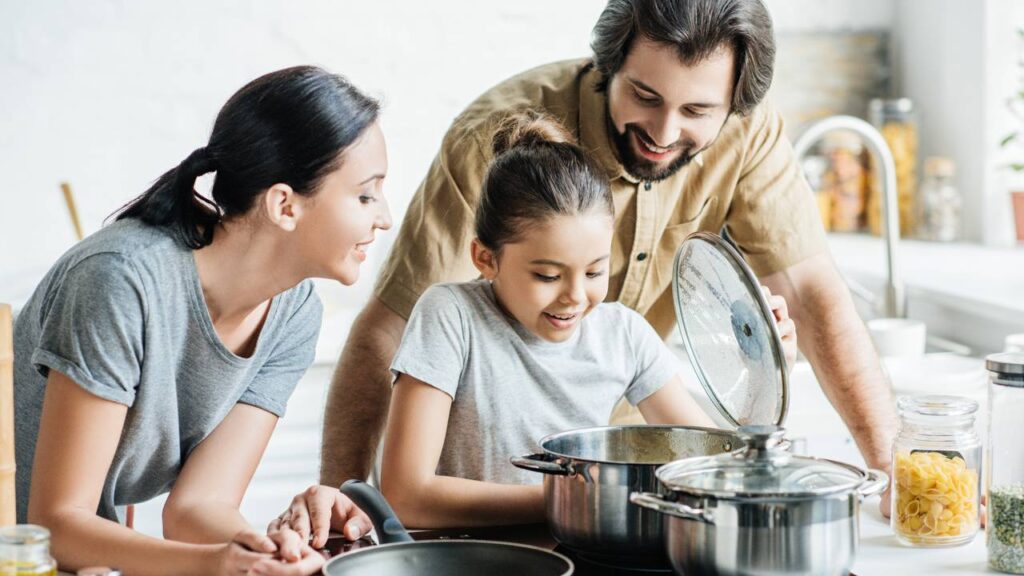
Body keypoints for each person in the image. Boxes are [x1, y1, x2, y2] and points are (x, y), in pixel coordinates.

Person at [320, 0, 897, 516]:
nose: (664, 133)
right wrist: (337, 511)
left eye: (697, 111)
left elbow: (810, 297)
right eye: (645, 97)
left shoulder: (627, 332)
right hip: (496, 505)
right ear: (607, 66)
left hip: (620, 493)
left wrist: (892, 472)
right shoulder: (488, 142)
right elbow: (390, 331)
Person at [14, 66, 388, 575]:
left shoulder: (295, 312)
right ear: (284, 205)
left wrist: (275, 553)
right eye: (366, 195)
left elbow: (197, 508)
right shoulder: (119, 281)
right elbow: (58, 525)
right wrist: (217, 564)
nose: (383, 217)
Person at [380, 111, 797, 527]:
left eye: (596, 271)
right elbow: (405, 495)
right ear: (486, 259)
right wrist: (572, 504)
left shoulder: (623, 335)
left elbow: (713, 466)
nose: (576, 297)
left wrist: (764, 365)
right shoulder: (451, 317)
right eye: (547, 275)